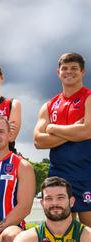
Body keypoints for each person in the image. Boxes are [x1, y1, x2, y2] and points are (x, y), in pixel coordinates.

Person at [34, 52, 91, 227]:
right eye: (64, 68)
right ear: (58, 72)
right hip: (58, 174)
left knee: (89, 231)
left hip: (86, 174)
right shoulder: (50, 105)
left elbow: (87, 131)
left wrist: (53, 128)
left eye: (74, 68)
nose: (69, 72)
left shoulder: (88, 98)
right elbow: (38, 141)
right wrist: (73, 131)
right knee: (61, 230)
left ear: (82, 72)